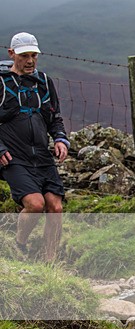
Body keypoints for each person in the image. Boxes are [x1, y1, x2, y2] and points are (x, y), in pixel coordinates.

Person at [0, 32, 69, 262]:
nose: (30, 61)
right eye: (24, 56)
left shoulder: (44, 83)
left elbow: (55, 117)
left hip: (41, 155)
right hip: (13, 157)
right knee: (35, 204)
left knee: (55, 208)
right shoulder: (1, 83)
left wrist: (60, 139)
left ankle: (50, 261)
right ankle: (20, 243)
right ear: (11, 54)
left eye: (34, 55)